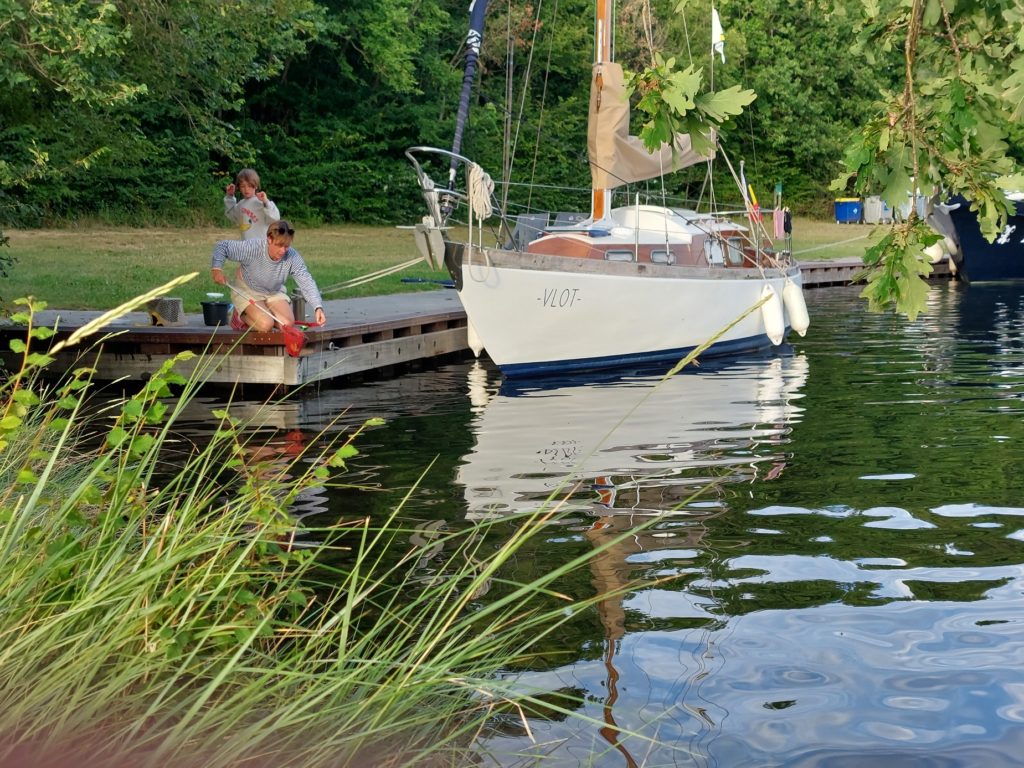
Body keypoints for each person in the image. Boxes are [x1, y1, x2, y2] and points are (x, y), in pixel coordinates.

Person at [210, 220, 327, 332]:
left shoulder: (292, 256)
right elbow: (222, 247)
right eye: (279, 245)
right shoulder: (253, 248)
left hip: (273, 292)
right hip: (248, 290)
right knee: (266, 325)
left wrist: (318, 307)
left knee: (287, 324)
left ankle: (262, 312)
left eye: (286, 246)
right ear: (269, 239)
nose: (283, 251)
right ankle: (239, 317)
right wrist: (216, 269)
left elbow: (306, 280)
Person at [223, 168, 281, 240]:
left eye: (249, 186)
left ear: (255, 186)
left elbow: (275, 218)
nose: (246, 189)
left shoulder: (261, 202)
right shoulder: (241, 204)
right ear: (239, 187)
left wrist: (266, 202)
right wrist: (230, 196)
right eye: (243, 186)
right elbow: (232, 214)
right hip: (246, 244)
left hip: (261, 244)